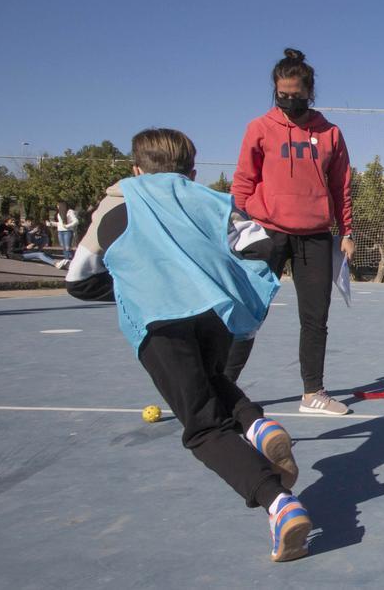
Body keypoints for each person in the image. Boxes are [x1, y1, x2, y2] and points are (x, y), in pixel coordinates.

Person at [64, 128, 311, 561]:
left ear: (136, 169)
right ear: (192, 171)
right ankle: (258, 425)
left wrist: (131, 284)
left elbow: (78, 278)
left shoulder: (118, 203)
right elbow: (261, 245)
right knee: (213, 379)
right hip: (212, 314)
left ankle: (278, 502)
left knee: (203, 429)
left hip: (160, 323)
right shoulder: (210, 201)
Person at [225, 49, 354, 415]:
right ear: (274, 91)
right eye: (282, 95)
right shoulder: (260, 128)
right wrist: (239, 220)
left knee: (316, 317)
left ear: (309, 92)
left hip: (314, 236)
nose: (288, 101)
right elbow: (244, 180)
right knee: (248, 311)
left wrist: (346, 230)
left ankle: (313, 393)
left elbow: (340, 185)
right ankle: (222, 385)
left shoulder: (329, 133)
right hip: (267, 232)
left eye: (296, 95)